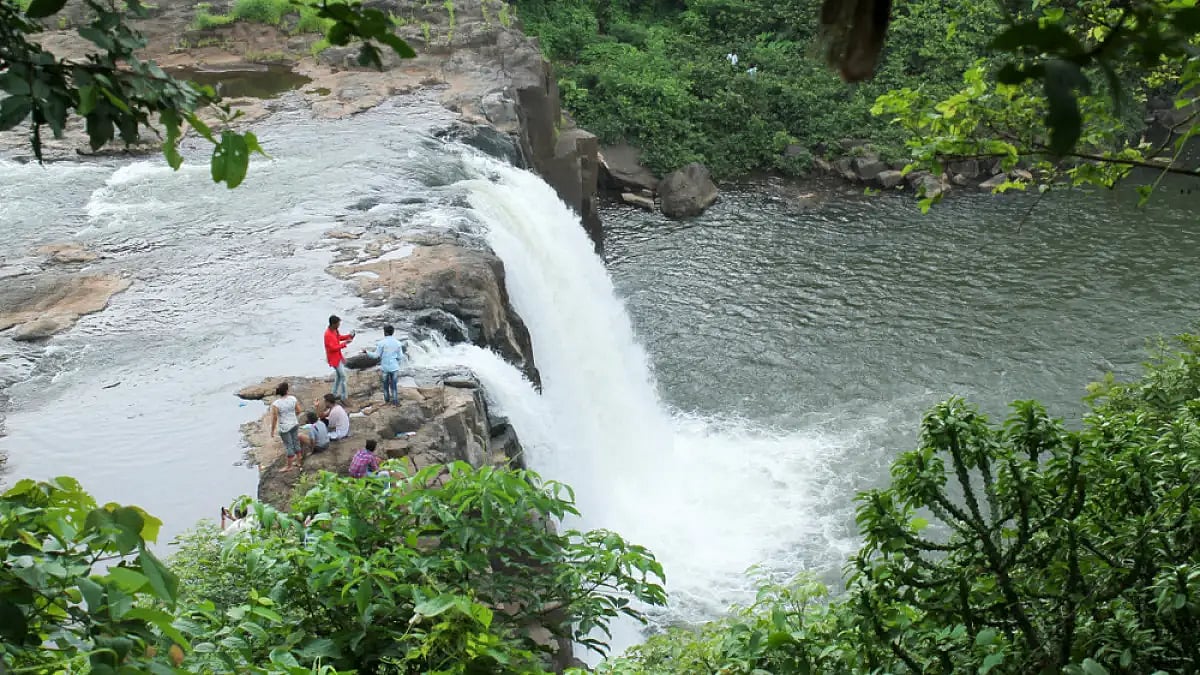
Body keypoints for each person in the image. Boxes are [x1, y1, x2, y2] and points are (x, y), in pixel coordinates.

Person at [366, 324, 407, 404]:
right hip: (394, 367)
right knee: (394, 385)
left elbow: (376, 355)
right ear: (393, 332)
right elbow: (400, 356)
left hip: (385, 368)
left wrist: (367, 352)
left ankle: (387, 401)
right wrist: (395, 360)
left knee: (385, 385)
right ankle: (395, 401)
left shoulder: (381, 343)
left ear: (385, 332)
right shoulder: (398, 343)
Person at [270, 382, 303, 471]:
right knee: (296, 441)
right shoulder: (293, 398)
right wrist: (292, 416)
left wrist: (272, 430)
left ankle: (289, 466)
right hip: (294, 423)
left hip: (284, 427)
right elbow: (299, 411)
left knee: (289, 446)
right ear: (287, 390)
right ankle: (299, 461)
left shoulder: (276, 404)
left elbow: (275, 418)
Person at [324, 315, 355, 401]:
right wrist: (345, 343)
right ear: (333, 324)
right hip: (333, 359)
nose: (339, 325)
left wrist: (349, 336)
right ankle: (344, 397)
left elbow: (339, 338)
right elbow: (332, 348)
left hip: (338, 357)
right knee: (343, 377)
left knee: (338, 376)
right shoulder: (327, 335)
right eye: (338, 323)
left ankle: (334, 394)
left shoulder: (335, 330)